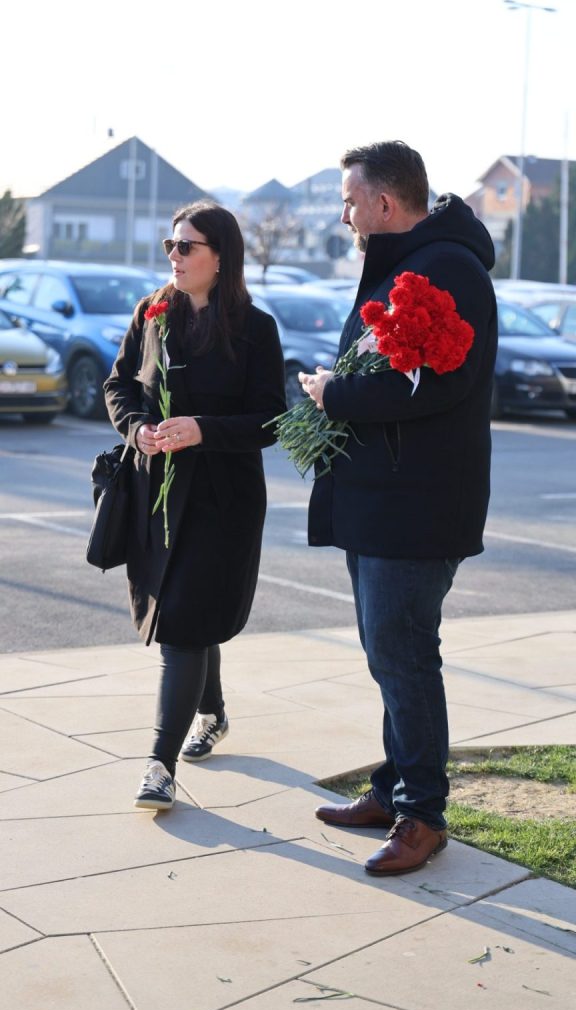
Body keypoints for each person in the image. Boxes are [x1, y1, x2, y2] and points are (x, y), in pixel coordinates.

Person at [299, 141, 497, 875]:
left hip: (418, 507)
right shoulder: (412, 261)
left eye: (350, 202)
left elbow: (435, 384)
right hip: (383, 500)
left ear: (384, 203)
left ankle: (422, 815)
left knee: (405, 655)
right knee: (389, 653)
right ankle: (392, 790)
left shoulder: (447, 269)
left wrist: (335, 395)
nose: (344, 216)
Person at [104, 201, 286, 809]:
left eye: (187, 246)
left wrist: (202, 429)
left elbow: (270, 419)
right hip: (156, 496)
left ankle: (158, 766)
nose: (175, 257)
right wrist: (138, 430)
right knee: (187, 616)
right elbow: (119, 385)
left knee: (182, 623)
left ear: (221, 256)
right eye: (171, 245)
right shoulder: (153, 312)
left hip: (222, 502)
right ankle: (213, 712)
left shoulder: (255, 328)